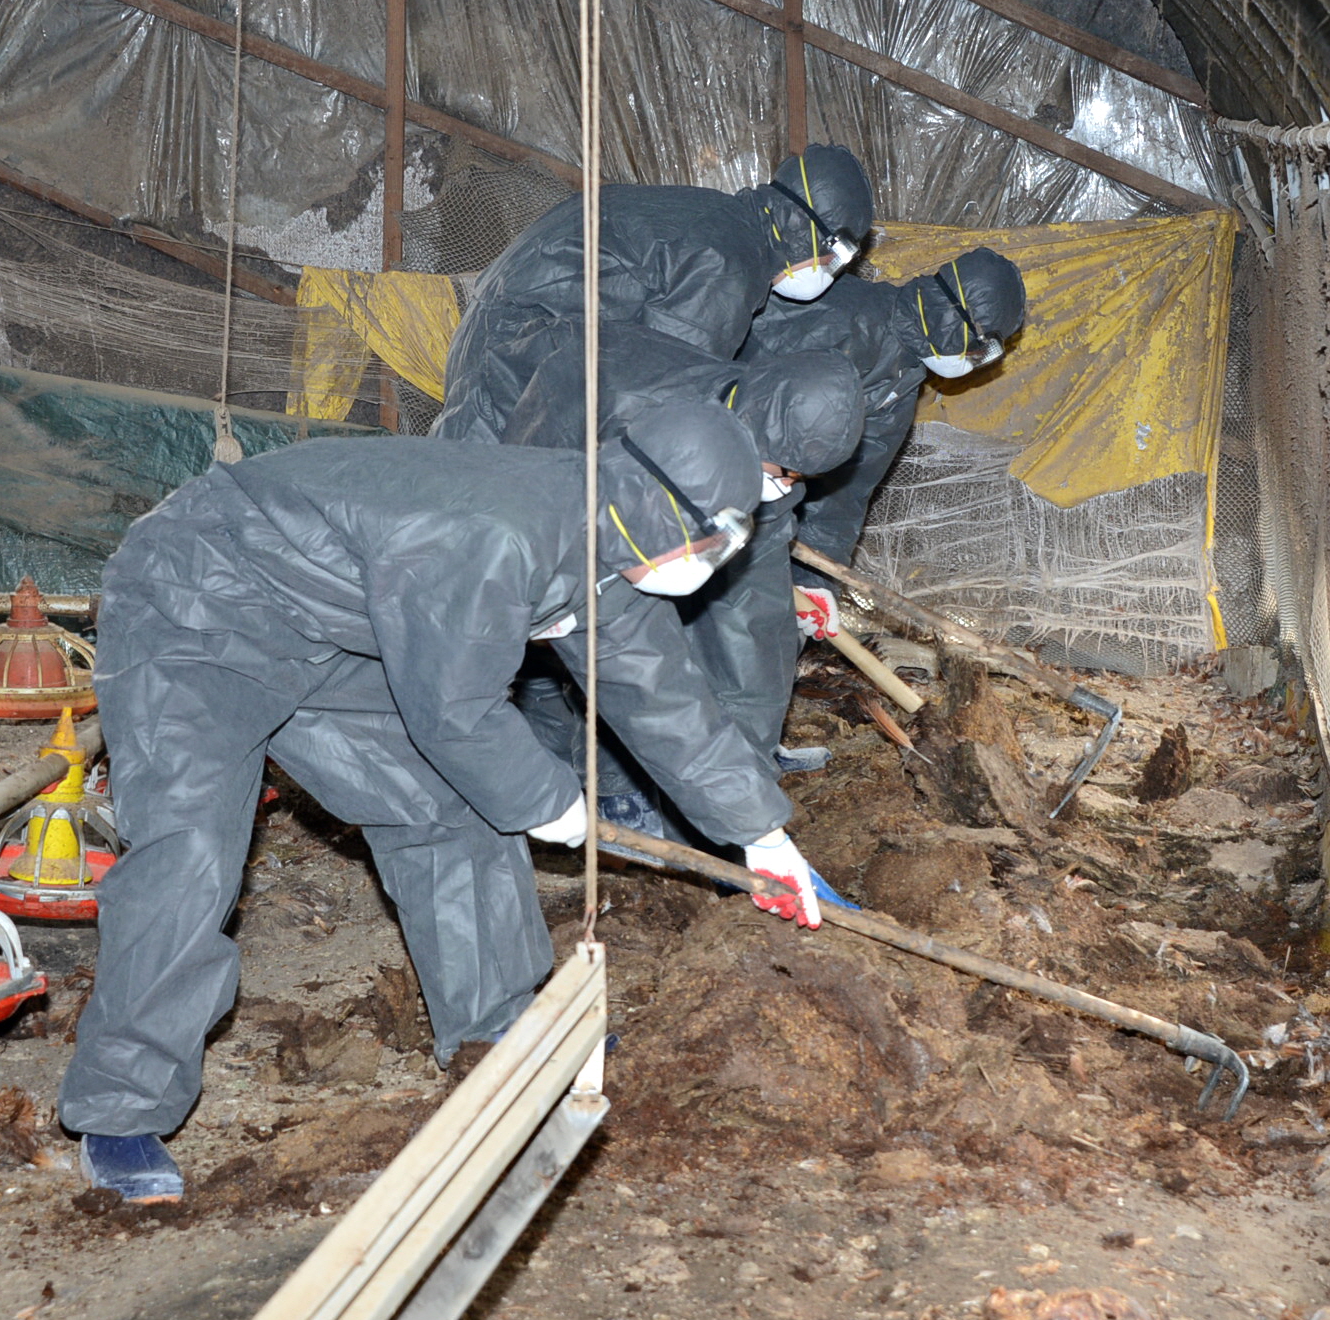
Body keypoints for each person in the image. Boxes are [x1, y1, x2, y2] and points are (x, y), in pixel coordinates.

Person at [61, 405, 826, 1204]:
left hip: (335, 628)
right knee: (188, 854)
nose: (715, 561)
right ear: (662, 509)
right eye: (714, 539)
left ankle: (495, 1026)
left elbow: (664, 698)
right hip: (197, 603)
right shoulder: (501, 536)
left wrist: (761, 834)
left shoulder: (610, 545)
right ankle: (121, 1112)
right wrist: (551, 802)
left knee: (446, 806)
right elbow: (455, 712)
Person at [500, 322, 865, 834]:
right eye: (785, 471)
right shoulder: (638, 422)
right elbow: (620, 643)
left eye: (801, 477)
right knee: (604, 639)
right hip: (568, 469)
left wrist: (747, 793)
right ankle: (612, 791)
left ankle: (739, 769)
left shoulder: (773, 446)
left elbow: (754, 621)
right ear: (755, 429)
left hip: (676, 488)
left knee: (755, 635)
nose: (788, 485)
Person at [435, 146, 874, 444]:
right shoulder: (726, 261)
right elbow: (659, 385)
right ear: (808, 229)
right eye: (837, 255)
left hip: (494, 335)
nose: (832, 270)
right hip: (522, 367)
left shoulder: (711, 214)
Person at [741, 247, 1026, 702]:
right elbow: (731, 389)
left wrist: (813, 580)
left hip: (762, 507)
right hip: (709, 484)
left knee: (772, 642)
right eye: (978, 345)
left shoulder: (902, 379)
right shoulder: (837, 320)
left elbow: (845, 491)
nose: (975, 359)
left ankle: (748, 734)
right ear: (951, 317)